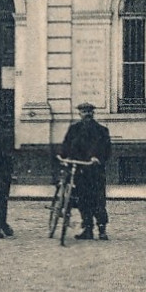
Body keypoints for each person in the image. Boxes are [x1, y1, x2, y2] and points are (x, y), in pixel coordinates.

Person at [59, 102, 112, 241]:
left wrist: (97, 158)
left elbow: (107, 150)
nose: (87, 114)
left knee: (98, 200)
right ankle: (87, 229)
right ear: (79, 114)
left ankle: (102, 230)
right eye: (84, 112)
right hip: (78, 170)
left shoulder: (102, 130)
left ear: (93, 113)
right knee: (82, 200)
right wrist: (63, 157)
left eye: (89, 111)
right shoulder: (73, 129)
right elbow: (66, 145)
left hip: (95, 171)